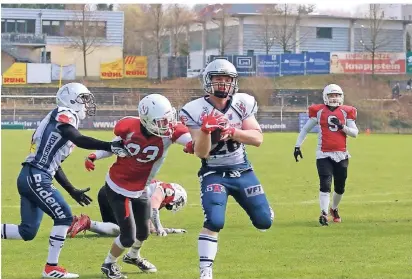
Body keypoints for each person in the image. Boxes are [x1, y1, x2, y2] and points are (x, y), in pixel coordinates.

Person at [0, 83, 129, 279]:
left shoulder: (60, 121)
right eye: (83, 99)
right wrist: (109, 145)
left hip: (32, 176)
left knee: (27, 231)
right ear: (70, 100)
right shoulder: (63, 113)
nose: (86, 104)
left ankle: (50, 268)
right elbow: (77, 138)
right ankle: (51, 268)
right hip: (36, 176)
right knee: (65, 217)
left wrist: (71, 190)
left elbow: (55, 163)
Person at [179, 59, 274, 279]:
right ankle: (205, 271)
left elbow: (257, 138)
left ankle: (263, 210)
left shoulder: (242, 103)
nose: (223, 84)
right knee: (215, 221)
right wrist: (205, 130)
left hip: (243, 170)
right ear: (208, 81)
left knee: (264, 222)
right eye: (218, 79)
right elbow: (201, 153)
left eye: (227, 80)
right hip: (214, 173)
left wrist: (232, 131)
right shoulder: (194, 110)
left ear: (234, 83)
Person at [94, 94, 192, 279]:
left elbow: (191, 142)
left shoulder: (171, 132)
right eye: (162, 121)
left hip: (141, 188)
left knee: (144, 232)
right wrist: (95, 156)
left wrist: (198, 142)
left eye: (168, 118)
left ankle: (133, 256)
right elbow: (113, 146)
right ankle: (108, 264)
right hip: (118, 187)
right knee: (128, 237)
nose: (167, 124)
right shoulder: (129, 127)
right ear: (146, 121)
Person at [294, 84, 359, 226]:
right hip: (323, 153)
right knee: (325, 183)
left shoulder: (346, 112)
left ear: (341, 97)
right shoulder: (319, 112)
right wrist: (297, 145)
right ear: (325, 97)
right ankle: (324, 213)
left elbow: (355, 133)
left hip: (341, 154)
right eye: (331, 95)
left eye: (336, 95)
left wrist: (342, 126)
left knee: (340, 187)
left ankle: (333, 209)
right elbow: (305, 129)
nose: (334, 98)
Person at [67, 178, 188, 238]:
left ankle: (77, 223)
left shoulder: (154, 189)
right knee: (126, 231)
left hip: (109, 191)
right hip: (118, 195)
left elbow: (149, 227)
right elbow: (154, 207)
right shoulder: (166, 189)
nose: (169, 205)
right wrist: (160, 229)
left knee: (114, 228)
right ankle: (87, 223)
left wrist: (171, 230)